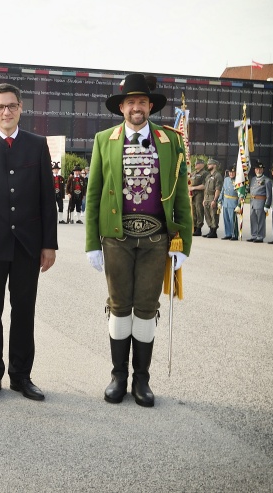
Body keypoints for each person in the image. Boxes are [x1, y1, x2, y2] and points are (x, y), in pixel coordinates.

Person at [85, 73, 191, 408]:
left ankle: (141, 379)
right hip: (116, 238)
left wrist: (184, 243)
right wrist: (91, 242)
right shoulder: (105, 139)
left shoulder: (171, 141)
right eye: (130, 102)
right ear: (121, 107)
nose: (136, 108)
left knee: (146, 309)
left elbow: (182, 195)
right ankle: (118, 375)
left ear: (150, 106)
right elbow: (94, 193)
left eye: (142, 102)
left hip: (157, 238)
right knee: (119, 307)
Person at [0, 83, 57, 402]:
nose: (6, 112)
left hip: (28, 245)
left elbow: (48, 198)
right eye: (0, 106)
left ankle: (21, 375)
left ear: (21, 108)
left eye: (12, 106)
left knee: (23, 311)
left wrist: (49, 244)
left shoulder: (36, 144)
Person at [247, 160, 271, 243]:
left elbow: (269, 194)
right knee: (253, 219)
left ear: (263, 170)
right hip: (253, 202)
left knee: (260, 220)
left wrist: (267, 205)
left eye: (260, 169)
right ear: (255, 170)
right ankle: (254, 235)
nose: (258, 171)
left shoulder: (267, 180)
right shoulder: (253, 179)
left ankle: (260, 236)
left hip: (261, 202)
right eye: (257, 169)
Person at [201, 158, 223, 238]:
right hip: (206, 197)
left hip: (213, 197)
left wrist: (215, 200)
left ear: (214, 165)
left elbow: (218, 189)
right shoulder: (208, 176)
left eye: (210, 164)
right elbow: (205, 188)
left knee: (213, 215)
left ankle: (214, 231)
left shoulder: (217, 175)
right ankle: (210, 229)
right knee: (207, 215)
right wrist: (204, 199)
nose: (208, 165)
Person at [218, 166, 240, 240]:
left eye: (233, 172)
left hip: (233, 202)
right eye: (230, 172)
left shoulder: (238, 181)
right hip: (225, 202)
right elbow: (222, 190)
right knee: (226, 219)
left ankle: (234, 234)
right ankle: (228, 233)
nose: (231, 174)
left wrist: (239, 205)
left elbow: (240, 194)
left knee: (232, 219)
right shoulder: (226, 179)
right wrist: (220, 200)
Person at [189, 158, 208, 236]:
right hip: (192, 194)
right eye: (195, 163)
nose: (195, 165)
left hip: (199, 194)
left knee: (199, 210)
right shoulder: (193, 173)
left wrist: (194, 188)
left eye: (198, 163)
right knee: (193, 210)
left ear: (202, 165)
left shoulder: (204, 173)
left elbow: (205, 185)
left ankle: (199, 228)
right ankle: (194, 227)